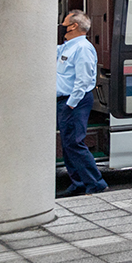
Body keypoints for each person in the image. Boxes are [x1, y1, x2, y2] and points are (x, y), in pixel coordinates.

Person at [56, 11, 107, 196]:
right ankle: (78, 183)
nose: (61, 26)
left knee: (75, 143)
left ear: (73, 26)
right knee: (68, 144)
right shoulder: (67, 47)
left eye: (64, 23)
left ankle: (95, 183)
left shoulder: (82, 48)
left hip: (74, 100)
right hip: (67, 101)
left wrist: (71, 104)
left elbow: (83, 80)